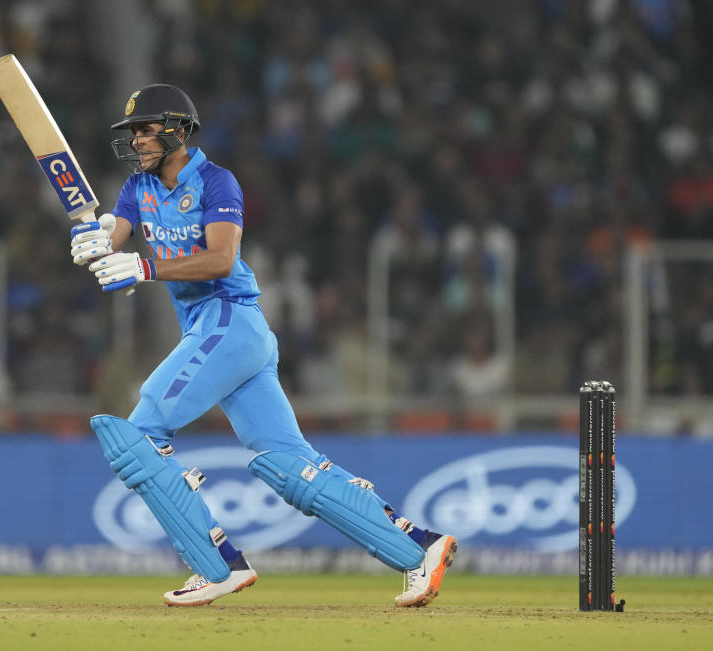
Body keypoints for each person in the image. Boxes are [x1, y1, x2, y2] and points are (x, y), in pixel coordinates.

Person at [69, 84, 456, 607]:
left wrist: (143, 265)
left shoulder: (215, 181)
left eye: (146, 128)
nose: (137, 139)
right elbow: (115, 233)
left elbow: (221, 259)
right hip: (222, 336)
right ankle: (420, 549)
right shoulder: (137, 188)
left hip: (228, 321)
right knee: (286, 464)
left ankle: (218, 565)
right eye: (133, 131)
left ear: (178, 130)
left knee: (139, 434)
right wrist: (93, 240)